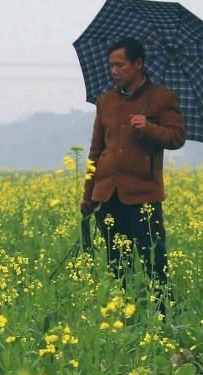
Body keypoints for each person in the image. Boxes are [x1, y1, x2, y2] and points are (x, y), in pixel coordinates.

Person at [80, 37, 186, 289]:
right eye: (111, 65)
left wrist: (149, 127)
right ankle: (123, 317)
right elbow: (96, 151)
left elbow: (177, 137)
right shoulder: (105, 101)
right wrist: (88, 194)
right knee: (117, 265)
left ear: (138, 63)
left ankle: (161, 317)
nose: (114, 71)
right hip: (107, 194)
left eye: (120, 65)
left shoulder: (162, 98)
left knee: (154, 263)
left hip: (143, 197)